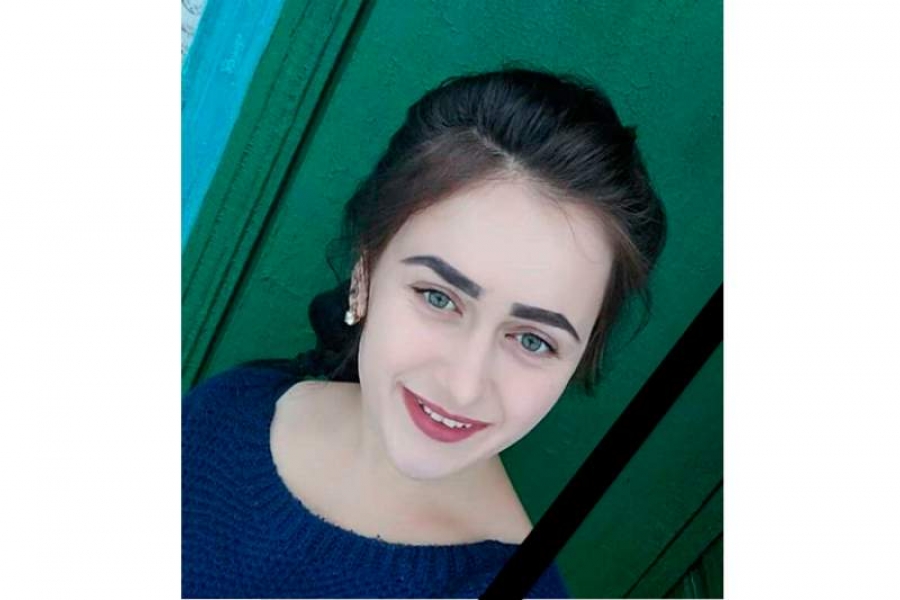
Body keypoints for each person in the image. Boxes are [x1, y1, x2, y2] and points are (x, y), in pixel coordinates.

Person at [182, 67, 666, 598]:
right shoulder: (227, 411)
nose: (463, 386)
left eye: (533, 340)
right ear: (365, 273)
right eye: (439, 298)